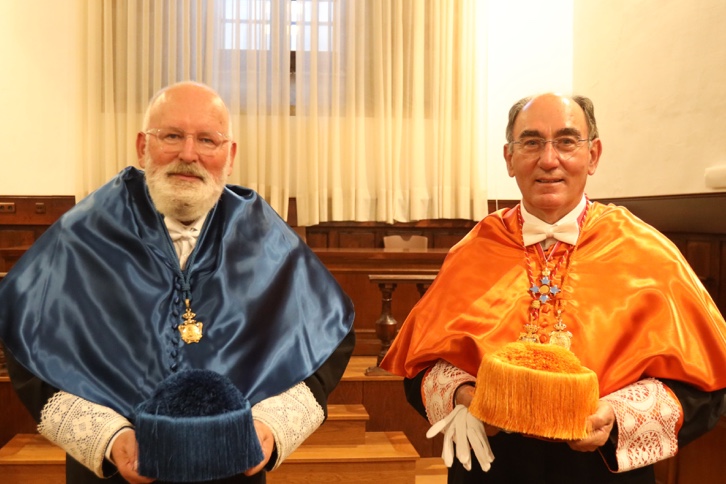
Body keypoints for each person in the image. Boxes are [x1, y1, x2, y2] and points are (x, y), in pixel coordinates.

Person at [0, 81, 356, 483]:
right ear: (142, 146)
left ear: (230, 155)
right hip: (114, 472)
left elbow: (329, 338)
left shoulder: (264, 237)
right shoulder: (83, 233)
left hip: (232, 467)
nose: (189, 154)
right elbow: (28, 343)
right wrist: (108, 437)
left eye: (208, 140)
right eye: (171, 136)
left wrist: (272, 426)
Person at [380, 92, 726, 483]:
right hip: (492, 469)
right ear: (510, 159)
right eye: (531, 142)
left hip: (601, 474)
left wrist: (614, 417)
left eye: (566, 141)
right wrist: (462, 395)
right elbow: (419, 366)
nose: (548, 160)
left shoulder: (648, 253)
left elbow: (703, 391)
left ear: (592, 155)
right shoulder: (472, 250)